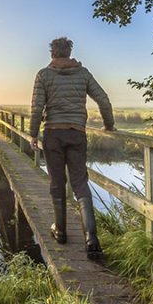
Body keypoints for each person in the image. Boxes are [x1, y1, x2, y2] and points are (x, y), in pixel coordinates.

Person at [29, 36, 114, 260]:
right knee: (80, 183)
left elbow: (37, 108)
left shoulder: (43, 75)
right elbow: (103, 100)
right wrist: (109, 125)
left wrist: (32, 134)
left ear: (52, 53)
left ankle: (61, 231)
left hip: (53, 134)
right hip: (77, 133)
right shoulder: (83, 73)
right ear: (69, 52)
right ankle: (92, 239)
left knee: (57, 182)